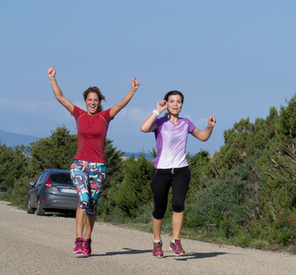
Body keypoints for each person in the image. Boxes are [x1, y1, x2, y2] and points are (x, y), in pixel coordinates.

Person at [47, 67, 140, 255]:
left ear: (99, 102)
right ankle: (78, 239)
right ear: (85, 101)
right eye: (89, 100)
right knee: (83, 199)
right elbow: (60, 97)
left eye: (95, 100)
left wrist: (133, 89)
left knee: (92, 205)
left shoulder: (105, 117)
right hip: (79, 165)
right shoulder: (78, 114)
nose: (92, 103)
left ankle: (88, 239)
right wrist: (52, 78)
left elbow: (121, 104)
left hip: (99, 167)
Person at [140, 90, 216, 257]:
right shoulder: (159, 122)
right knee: (159, 208)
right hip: (161, 171)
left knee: (178, 204)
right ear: (166, 103)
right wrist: (156, 111)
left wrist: (209, 127)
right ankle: (157, 242)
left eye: (179, 101)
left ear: (182, 104)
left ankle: (175, 241)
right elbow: (144, 128)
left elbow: (203, 137)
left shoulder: (186, 123)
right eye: (172, 101)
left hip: (181, 170)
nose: (175, 104)